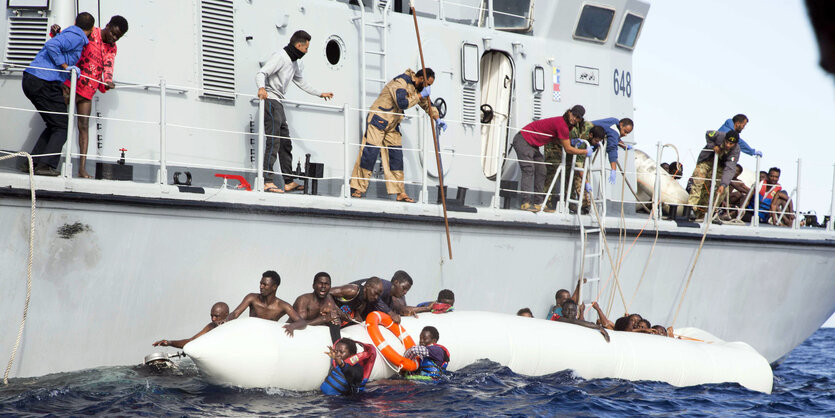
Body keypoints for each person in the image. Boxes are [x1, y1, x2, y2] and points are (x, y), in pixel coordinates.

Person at [256, 30, 333, 193]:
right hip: (270, 100)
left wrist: (320, 94)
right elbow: (262, 73)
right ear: (299, 45)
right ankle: (267, 181)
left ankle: (288, 181)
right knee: (273, 141)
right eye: (306, 49)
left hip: (278, 102)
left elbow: (301, 82)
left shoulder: (293, 62)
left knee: (285, 143)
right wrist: (262, 88)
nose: (306, 52)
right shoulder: (281, 57)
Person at [350, 68, 443, 202]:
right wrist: (420, 95)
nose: (428, 88)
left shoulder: (417, 88)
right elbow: (402, 103)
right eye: (428, 84)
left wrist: (437, 118)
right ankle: (358, 187)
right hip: (379, 119)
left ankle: (400, 193)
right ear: (422, 79)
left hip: (392, 124)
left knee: (396, 157)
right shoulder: (400, 82)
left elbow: (427, 104)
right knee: (370, 153)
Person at [22, 12, 94, 176]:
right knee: (62, 126)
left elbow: (58, 43)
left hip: (35, 79)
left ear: (76, 22)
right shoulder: (76, 36)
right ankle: (45, 165)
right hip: (42, 81)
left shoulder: (70, 33)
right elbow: (52, 46)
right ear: (89, 30)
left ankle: (32, 163)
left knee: (55, 124)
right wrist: (65, 66)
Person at [60, 15, 128, 178]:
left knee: (83, 127)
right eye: (113, 33)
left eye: (118, 37)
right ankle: (46, 161)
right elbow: (68, 40)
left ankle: (82, 169)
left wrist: (108, 82)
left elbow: (108, 66)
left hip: (88, 90)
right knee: (58, 122)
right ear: (107, 25)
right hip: (71, 84)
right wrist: (55, 33)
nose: (114, 38)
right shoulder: (91, 33)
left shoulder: (112, 48)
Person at [514, 105, 586, 211]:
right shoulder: (562, 124)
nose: (574, 119)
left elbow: (558, 140)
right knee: (528, 169)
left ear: (580, 120)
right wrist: (585, 151)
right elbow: (568, 149)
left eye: (577, 118)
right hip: (523, 140)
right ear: (569, 112)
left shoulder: (567, 125)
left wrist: (570, 142)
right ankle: (525, 203)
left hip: (533, 145)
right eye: (573, 115)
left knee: (541, 170)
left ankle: (538, 203)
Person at [225, 270, 304, 336]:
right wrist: (226, 320)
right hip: (251, 334)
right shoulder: (252, 298)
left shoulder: (283, 306)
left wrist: (292, 326)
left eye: (265, 285)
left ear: (274, 287)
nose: (261, 286)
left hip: (268, 338)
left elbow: (301, 322)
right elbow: (235, 313)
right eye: (260, 283)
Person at [686, 130, 741, 221]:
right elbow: (708, 133)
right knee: (698, 181)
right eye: (727, 142)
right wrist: (713, 146)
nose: (728, 145)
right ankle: (691, 208)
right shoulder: (719, 135)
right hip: (707, 161)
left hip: (720, 167)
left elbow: (730, 168)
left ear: (735, 144)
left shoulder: (736, 151)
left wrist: (723, 184)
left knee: (723, 190)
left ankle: (709, 212)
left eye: (731, 144)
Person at [152, 302, 229, 348]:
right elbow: (191, 341)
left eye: (216, 316)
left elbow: (239, 310)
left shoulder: (231, 320)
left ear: (226, 315)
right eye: (211, 316)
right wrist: (170, 343)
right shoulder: (211, 326)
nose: (213, 319)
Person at [329, 276, 394, 325]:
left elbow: (355, 310)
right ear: (368, 286)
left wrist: (357, 317)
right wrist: (339, 312)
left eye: (378, 295)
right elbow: (327, 293)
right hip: (326, 313)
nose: (376, 297)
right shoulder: (353, 290)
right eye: (375, 293)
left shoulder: (363, 303)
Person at [591, 117, 635, 185]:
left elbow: (613, 136)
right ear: (621, 125)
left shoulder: (614, 121)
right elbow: (612, 148)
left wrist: (623, 146)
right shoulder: (614, 131)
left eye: (627, 133)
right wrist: (613, 169)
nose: (625, 134)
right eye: (625, 131)